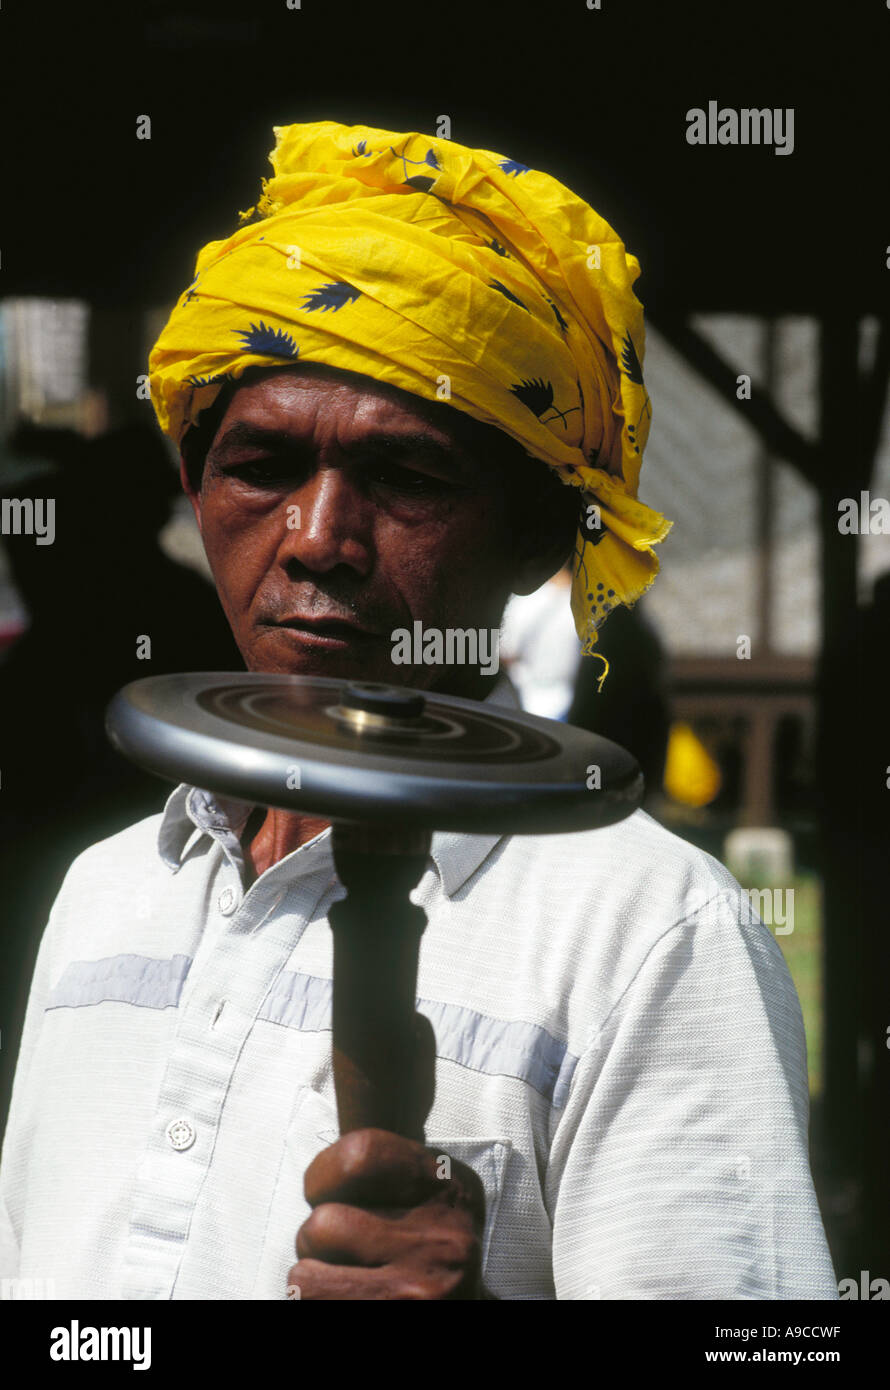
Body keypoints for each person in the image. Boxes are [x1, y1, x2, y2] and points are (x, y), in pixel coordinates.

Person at [0, 121, 837, 1300]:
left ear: (538, 534)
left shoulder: (647, 931)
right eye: (263, 466)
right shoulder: (106, 895)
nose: (319, 540)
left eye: (407, 478)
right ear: (194, 491)